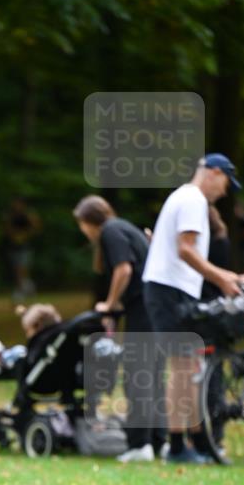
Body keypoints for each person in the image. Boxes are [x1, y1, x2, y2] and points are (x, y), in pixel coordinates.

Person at [142, 153, 244, 464]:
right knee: (182, 368)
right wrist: (221, 277)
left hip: (173, 290)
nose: (225, 192)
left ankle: (197, 441)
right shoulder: (193, 200)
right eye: (226, 182)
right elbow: (185, 248)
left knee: (189, 368)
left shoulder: (185, 198)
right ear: (214, 172)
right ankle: (176, 446)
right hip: (168, 290)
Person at [73, 195, 166, 463]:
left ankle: (140, 444)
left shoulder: (111, 231)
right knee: (154, 376)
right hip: (155, 308)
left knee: (137, 376)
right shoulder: (124, 227)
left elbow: (124, 270)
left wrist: (109, 304)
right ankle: (159, 441)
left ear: (88, 221)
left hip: (143, 309)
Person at [0, 303, 62, 370]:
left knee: (19, 350)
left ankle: (0, 355)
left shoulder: (39, 347)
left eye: (28, 330)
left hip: (33, 364)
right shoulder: (60, 341)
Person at [2, 197, 42, 301]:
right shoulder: (10, 216)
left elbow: (36, 228)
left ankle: (20, 292)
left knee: (21, 270)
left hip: (25, 248)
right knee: (18, 271)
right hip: (13, 247)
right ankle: (29, 288)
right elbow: (7, 229)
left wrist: (25, 235)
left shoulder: (27, 215)